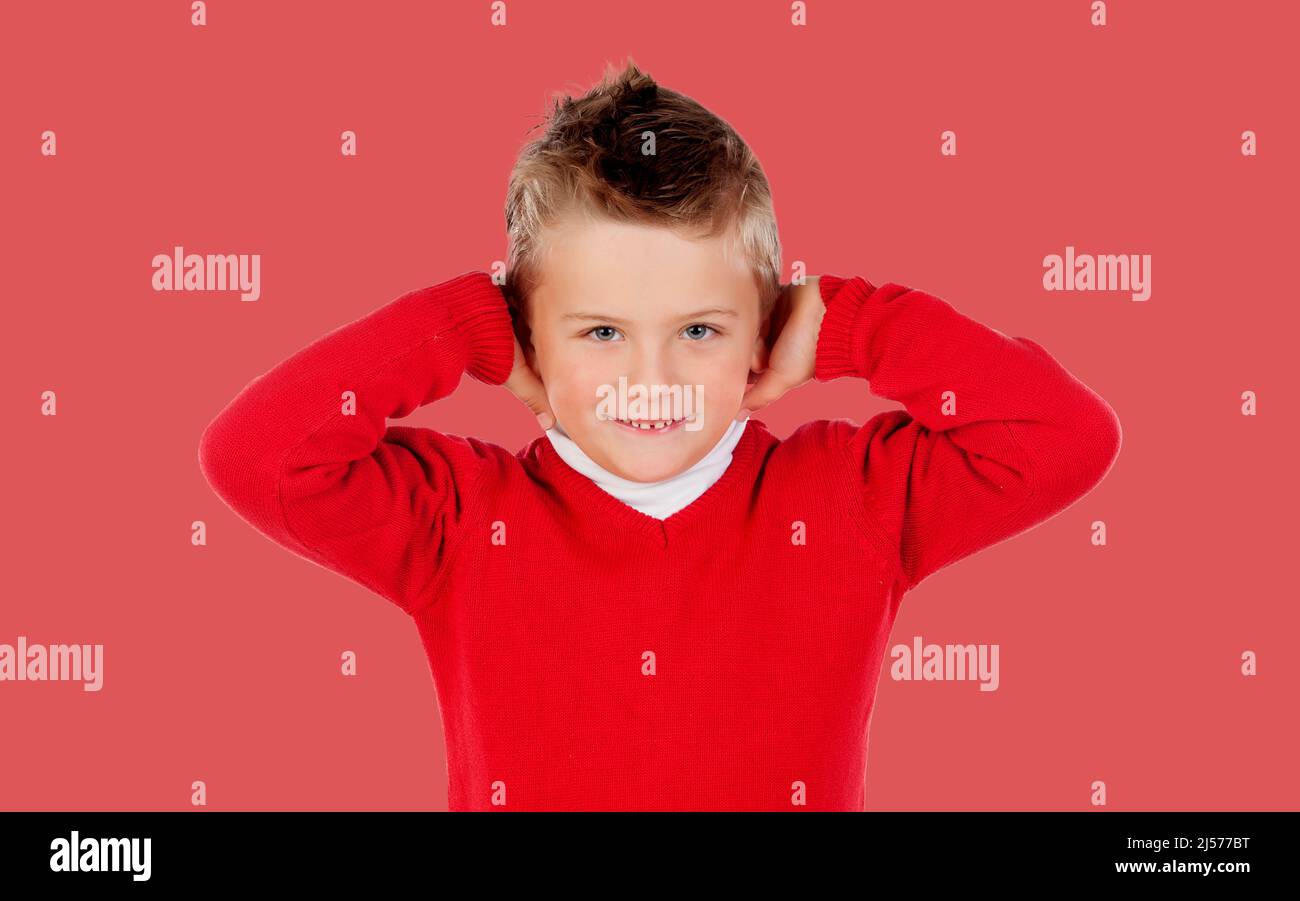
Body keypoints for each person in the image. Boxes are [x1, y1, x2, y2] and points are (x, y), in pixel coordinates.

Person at [198, 59, 1121, 811]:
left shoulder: (851, 497)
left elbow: (1064, 435)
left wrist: (849, 322)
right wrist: (463, 326)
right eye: (602, 332)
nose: (652, 381)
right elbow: (259, 457)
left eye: (699, 330)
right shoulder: (462, 518)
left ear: (763, 328)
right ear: (529, 332)